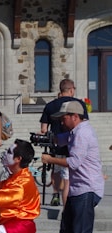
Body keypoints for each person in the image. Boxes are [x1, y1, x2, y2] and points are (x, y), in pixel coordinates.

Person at [42, 100, 104, 233]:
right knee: (66, 229)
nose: (61, 122)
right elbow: (60, 139)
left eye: (64, 118)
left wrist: (50, 159)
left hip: (87, 188)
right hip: (78, 188)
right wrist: (44, 138)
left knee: (80, 231)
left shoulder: (83, 133)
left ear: (75, 117)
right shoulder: (74, 132)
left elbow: (75, 162)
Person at [39, 79, 89, 207]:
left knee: (55, 169)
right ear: (71, 89)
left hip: (55, 143)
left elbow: (44, 129)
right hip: (72, 143)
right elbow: (84, 125)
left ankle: (55, 194)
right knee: (67, 176)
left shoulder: (50, 105)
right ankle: (67, 203)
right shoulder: (79, 104)